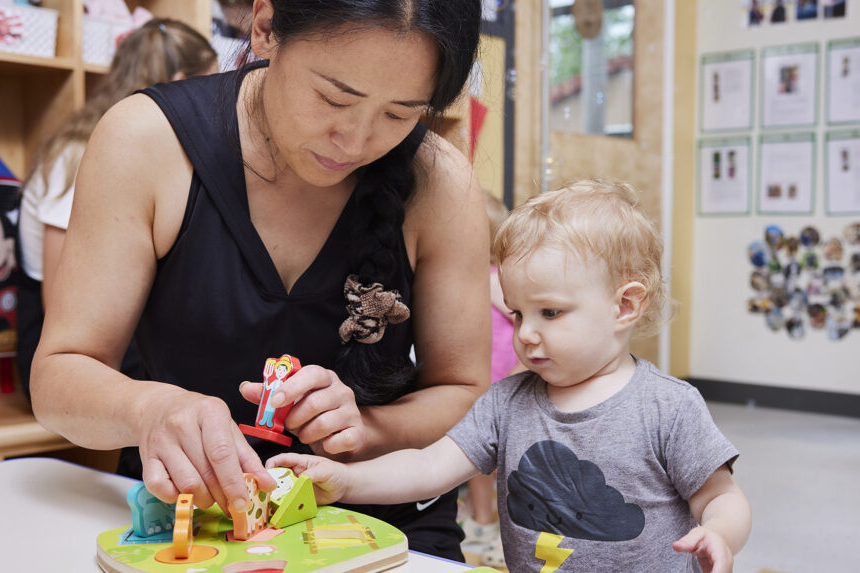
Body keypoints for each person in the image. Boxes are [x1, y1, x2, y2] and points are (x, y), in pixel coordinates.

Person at [29, 0, 489, 561]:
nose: (355, 140)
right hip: (190, 521)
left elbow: (466, 394)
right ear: (266, 28)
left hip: (379, 529)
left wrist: (369, 428)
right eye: (334, 97)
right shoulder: (149, 142)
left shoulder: (439, 180)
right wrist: (149, 409)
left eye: (399, 114)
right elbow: (57, 378)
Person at [268, 179, 752, 572]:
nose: (526, 334)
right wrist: (345, 481)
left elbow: (723, 498)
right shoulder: (506, 402)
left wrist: (719, 534)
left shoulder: (669, 407)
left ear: (625, 305)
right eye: (519, 314)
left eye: (551, 313)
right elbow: (428, 468)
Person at [16, 19, 218, 396]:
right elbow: (64, 312)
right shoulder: (79, 156)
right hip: (56, 357)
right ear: (180, 82)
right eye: (210, 83)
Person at [459, 192, 525, 566]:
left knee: (486, 460)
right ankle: (482, 518)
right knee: (483, 459)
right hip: (487, 377)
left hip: (497, 378)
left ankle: (485, 523)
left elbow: (518, 319)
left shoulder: (493, 279)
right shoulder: (485, 279)